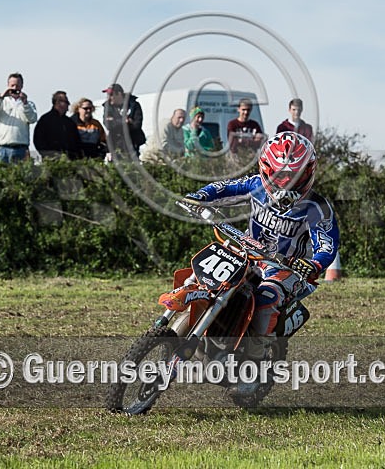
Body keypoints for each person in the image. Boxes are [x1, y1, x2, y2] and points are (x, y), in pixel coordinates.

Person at [167, 132, 339, 391]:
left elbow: (326, 243)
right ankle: (171, 320)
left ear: (308, 173)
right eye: (280, 175)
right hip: (248, 252)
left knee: (267, 298)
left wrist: (314, 264)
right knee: (208, 269)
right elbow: (227, 188)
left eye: (295, 176)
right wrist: (200, 197)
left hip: (289, 269)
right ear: (266, 168)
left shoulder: (317, 207)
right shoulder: (257, 184)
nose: (286, 183)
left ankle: (255, 363)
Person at [0, 72, 37, 163]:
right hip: (1, 148)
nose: (14, 88)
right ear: (8, 85)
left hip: (20, 148)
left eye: (17, 85)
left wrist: (25, 103)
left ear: (22, 86)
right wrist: (1, 97)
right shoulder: (1, 102)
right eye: (12, 85)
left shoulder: (29, 104)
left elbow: (32, 119)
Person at [33, 91, 82, 160]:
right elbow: (38, 140)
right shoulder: (45, 120)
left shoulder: (70, 123)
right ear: (58, 103)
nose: (69, 104)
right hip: (51, 161)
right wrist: (48, 155)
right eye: (66, 102)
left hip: (69, 161)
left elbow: (77, 142)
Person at [101, 83, 145, 158]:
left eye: (111, 94)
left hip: (132, 143)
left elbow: (137, 125)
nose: (109, 97)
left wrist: (115, 121)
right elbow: (108, 124)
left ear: (119, 94)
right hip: (115, 144)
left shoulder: (134, 105)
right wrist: (125, 121)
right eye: (108, 95)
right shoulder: (108, 107)